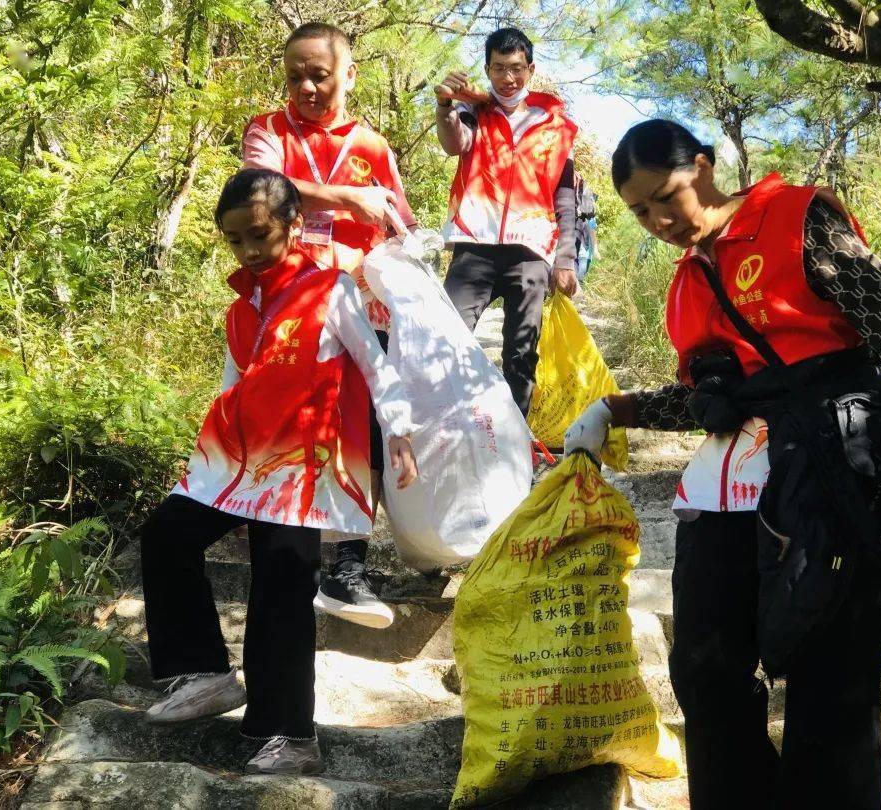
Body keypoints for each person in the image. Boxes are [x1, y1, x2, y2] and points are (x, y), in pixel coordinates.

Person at [563, 119, 881, 810]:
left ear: (704, 167)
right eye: (638, 211)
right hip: (729, 492)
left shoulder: (793, 218)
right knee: (707, 670)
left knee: (834, 682)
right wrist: (615, 411)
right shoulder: (686, 285)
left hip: (839, 471)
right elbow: (710, 400)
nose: (657, 220)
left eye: (665, 196)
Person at [140, 169, 418, 775]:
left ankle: (288, 735)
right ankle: (207, 673)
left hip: (301, 469)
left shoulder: (331, 291)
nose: (248, 251)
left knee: (281, 587)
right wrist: (210, 468)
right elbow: (232, 386)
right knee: (166, 532)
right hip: (237, 462)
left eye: (259, 235)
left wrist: (397, 431)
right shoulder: (241, 311)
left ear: (294, 225)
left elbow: (376, 366)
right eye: (235, 240)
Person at [243, 22, 417, 628]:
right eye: (295, 76)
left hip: (359, 307)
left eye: (319, 74)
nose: (307, 87)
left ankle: (347, 569)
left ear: (349, 74)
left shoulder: (372, 145)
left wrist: (396, 237)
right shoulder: (267, 130)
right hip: (287, 305)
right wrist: (349, 197)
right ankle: (287, 560)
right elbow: (263, 194)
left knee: (359, 432)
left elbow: (399, 223)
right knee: (284, 427)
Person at [434, 26, 579, 420]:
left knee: (521, 350)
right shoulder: (473, 111)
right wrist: (445, 106)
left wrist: (565, 259)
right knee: (448, 337)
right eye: (499, 68)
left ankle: (516, 434)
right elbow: (455, 144)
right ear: (487, 69)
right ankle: (451, 424)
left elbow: (565, 196)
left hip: (530, 252)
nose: (508, 78)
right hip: (474, 247)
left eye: (516, 68)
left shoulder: (555, 126)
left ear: (530, 69)